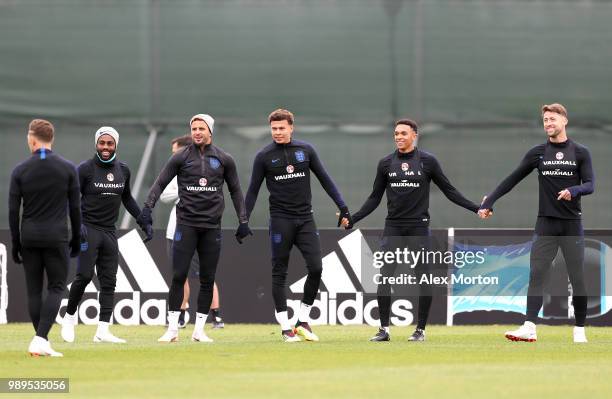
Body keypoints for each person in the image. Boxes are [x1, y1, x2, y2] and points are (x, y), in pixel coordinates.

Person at [341, 118, 480, 342]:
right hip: (393, 227)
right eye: (396, 133)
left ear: (414, 135)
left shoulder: (428, 161)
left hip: (418, 228)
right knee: (385, 278)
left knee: (423, 279)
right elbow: (374, 198)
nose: (398, 137)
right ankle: (384, 329)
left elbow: (450, 191)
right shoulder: (385, 163)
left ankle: (420, 330)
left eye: (403, 133)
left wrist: (477, 208)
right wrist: (353, 218)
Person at [479, 103, 594, 343]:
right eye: (545, 121)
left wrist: (573, 190)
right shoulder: (538, 152)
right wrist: (489, 200)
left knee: (577, 277)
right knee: (537, 274)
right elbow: (513, 178)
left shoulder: (580, 152)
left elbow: (590, 185)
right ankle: (529, 326)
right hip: (546, 224)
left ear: (564, 121)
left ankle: (579, 329)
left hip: (571, 224)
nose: (548, 124)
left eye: (553, 119)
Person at [138, 114, 250, 343]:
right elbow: (159, 183)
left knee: (207, 279)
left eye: (202, 128)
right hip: (185, 226)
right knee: (178, 277)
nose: (197, 132)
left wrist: (243, 220)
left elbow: (236, 191)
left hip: (211, 228)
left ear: (210, 131)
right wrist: (147, 209)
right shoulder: (180, 157)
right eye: (194, 128)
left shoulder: (224, 159)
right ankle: (172, 329)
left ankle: (199, 330)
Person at [245, 108, 351, 342]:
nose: (278, 132)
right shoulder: (264, 156)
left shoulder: (306, 150)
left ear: (292, 127)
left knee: (316, 268)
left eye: (282, 128)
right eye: (274, 129)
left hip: (305, 219)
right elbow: (252, 190)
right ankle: (285, 327)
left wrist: (342, 206)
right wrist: (244, 219)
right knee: (279, 272)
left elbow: (326, 180)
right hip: (280, 220)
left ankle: (302, 320)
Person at [60, 127, 150, 344]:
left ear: (116, 145)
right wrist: (77, 224)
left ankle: (103, 330)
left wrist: (143, 220)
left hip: (110, 231)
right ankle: (69, 318)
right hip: (88, 229)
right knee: (84, 276)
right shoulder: (85, 169)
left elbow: (127, 198)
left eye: (110, 143)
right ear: (96, 144)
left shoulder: (124, 170)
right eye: (102, 143)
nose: (106, 147)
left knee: (109, 281)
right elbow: (69, 199)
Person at [9, 119, 81, 357]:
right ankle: (40, 339)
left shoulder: (20, 170)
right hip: (56, 236)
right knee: (57, 286)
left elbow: (13, 211)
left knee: (33, 291)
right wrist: (76, 237)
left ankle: (42, 340)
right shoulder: (68, 168)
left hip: (29, 237)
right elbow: (75, 208)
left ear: (31, 138)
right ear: (52, 139)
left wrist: (16, 243)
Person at [160, 134, 224, 329]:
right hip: (176, 232)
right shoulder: (175, 171)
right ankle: (180, 315)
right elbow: (163, 195)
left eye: (176, 151)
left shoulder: (208, 167)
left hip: (201, 229)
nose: (174, 155)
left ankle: (216, 317)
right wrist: (186, 190)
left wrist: (192, 190)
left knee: (205, 275)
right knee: (180, 276)